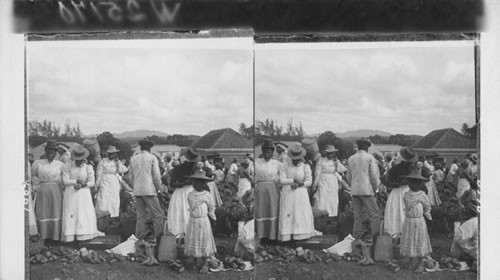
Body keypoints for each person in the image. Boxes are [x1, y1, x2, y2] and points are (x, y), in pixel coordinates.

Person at [61, 145, 99, 242]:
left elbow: (92, 182)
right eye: (77, 160)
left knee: (83, 213)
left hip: (83, 194)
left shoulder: (88, 167)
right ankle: (70, 237)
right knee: (72, 212)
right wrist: (75, 182)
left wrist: (83, 185)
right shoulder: (67, 166)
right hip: (71, 193)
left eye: (81, 160)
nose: (79, 161)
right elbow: (65, 181)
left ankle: (84, 235)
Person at [278, 143, 315, 242]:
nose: (295, 160)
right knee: (289, 211)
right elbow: (281, 180)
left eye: (297, 158)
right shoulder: (285, 165)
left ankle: (301, 234)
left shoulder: (305, 166)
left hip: (300, 193)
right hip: (288, 192)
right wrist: (292, 181)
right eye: (294, 158)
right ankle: (287, 235)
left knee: (300, 213)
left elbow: (309, 181)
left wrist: (301, 184)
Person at [129, 139, 165, 240]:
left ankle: (139, 240)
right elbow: (157, 177)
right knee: (157, 216)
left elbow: (130, 176)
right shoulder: (152, 158)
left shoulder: (133, 159)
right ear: (149, 148)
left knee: (140, 217)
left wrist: (134, 187)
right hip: (149, 190)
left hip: (137, 190)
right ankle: (159, 239)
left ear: (141, 148)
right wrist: (159, 189)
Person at [346, 139, 382, 238]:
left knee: (358, 217)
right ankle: (376, 239)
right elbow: (373, 176)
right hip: (367, 190)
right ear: (367, 148)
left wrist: (352, 186)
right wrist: (375, 189)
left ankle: (356, 239)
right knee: (374, 215)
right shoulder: (370, 158)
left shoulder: (351, 158)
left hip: (355, 190)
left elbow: (348, 176)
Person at [184, 170, 217, 274]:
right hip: (193, 221)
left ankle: (205, 262)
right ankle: (194, 259)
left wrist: (212, 218)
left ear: (203, 183)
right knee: (194, 238)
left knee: (204, 239)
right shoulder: (190, 194)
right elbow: (190, 206)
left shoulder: (206, 195)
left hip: (203, 221)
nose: (195, 184)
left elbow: (212, 207)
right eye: (194, 182)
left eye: (198, 182)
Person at [31, 140, 65, 241]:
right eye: (49, 151)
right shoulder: (38, 163)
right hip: (43, 191)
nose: (51, 154)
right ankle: (43, 236)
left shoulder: (60, 164)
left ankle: (55, 236)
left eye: (53, 152)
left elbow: (64, 178)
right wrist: (35, 188)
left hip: (56, 191)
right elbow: (33, 176)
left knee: (55, 211)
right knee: (43, 212)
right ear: (45, 151)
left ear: (56, 153)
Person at [400, 170, 433, 274]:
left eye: (416, 183)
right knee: (410, 239)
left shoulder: (422, 195)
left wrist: (427, 215)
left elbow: (427, 206)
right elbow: (406, 205)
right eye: (411, 182)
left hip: (419, 221)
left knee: (420, 240)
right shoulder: (406, 194)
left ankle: (421, 263)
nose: (413, 185)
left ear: (420, 184)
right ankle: (411, 260)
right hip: (409, 221)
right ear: (408, 184)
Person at [384, 147, 417, 237]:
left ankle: (406, 233)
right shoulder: (396, 168)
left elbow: (417, 182)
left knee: (404, 212)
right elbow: (389, 182)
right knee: (398, 212)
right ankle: (397, 233)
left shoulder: (413, 169)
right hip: (398, 192)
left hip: (407, 192)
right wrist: (400, 183)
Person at [255, 138, 282, 242]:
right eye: (265, 152)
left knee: (272, 209)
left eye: (269, 152)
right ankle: (261, 235)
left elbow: (281, 176)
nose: (267, 154)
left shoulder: (277, 163)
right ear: (262, 151)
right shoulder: (257, 162)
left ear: (272, 152)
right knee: (261, 210)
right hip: (260, 189)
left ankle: (272, 236)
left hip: (273, 189)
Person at [168, 147, 199, 236]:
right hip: (181, 192)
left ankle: (188, 232)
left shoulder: (194, 169)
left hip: (188, 192)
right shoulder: (178, 169)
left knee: (186, 211)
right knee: (181, 211)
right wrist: (183, 184)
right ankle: (180, 232)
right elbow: (173, 183)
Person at [313, 145, 347, 218]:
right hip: (323, 180)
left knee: (332, 198)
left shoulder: (335, 161)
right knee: (322, 197)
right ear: (326, 153)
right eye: (329, 153)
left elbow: (342, 169)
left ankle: (332, 215)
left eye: (332, 153)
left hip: (332, 181)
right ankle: (321, 215)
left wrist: (337, 162)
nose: (331, 155)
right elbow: (317, 172)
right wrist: (315, 184)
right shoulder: (321, 160)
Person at [95, 146, 128, 218]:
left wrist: (118, 164)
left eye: (114, 154)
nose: (113, 155)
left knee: (114, 199)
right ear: (108, 154)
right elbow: (99, 174)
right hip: (104, 181)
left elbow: (123, 171)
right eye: (111, 154)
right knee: (104, 198)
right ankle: (102, 216)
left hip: (113, 181)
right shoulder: (102, 161)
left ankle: (114, 216)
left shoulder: (116, 162)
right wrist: (97, 185)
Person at [450, 199, 479, 272]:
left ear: (470, 211)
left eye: (466, 209)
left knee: (457, 241)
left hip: (477, 250)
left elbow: (458, 238)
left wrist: (457, 223)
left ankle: (461, 258)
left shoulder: (471, 222)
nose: (464, 211)